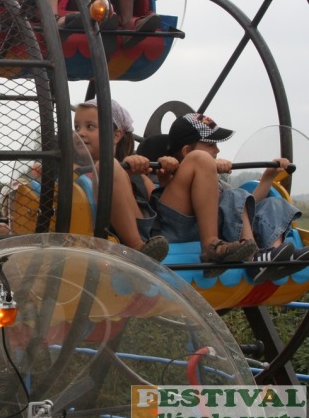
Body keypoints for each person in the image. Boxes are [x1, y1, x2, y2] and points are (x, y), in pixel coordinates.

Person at [152, 113, 308, 282]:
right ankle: (253, 259)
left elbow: (245, 208)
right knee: (229, 191)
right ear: (187, 151)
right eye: (210, 144)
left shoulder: (218, 185)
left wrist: (267, 178)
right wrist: (201, 163)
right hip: (179, 227)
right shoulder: (171, 174)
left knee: (273, 203)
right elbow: (165, 193)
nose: (217, 150)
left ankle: (275, 254)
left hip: (214, 227)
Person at [73, 99, 170, 261]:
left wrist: (165, 180)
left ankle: (138, 246)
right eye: (77, 127)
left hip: (141, 234)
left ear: (116, 135)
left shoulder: (137, 175)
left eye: (90, 126)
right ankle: (137, 246)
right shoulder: (70, 170)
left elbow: (159, 210)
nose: (80, 133)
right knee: (108, 166)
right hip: (98, 233)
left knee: (108, 166)